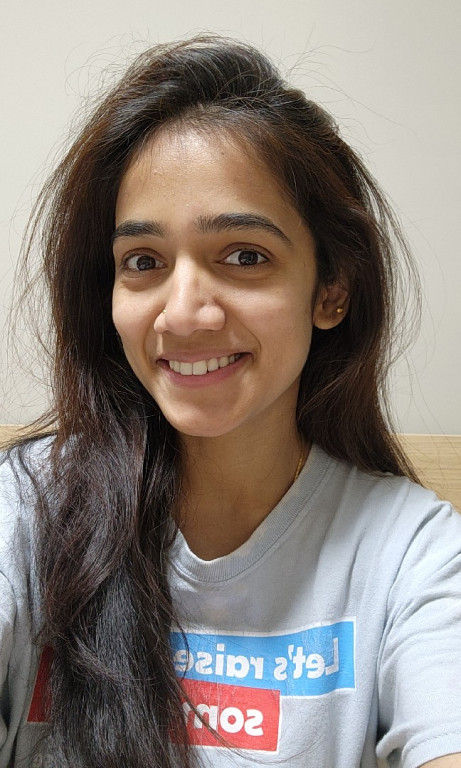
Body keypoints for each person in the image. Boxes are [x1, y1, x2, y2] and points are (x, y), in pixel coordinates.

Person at [0, 35, 460, 768]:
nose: (183, 314)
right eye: (142, 261)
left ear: (331, 290)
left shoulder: (412, 554)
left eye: (245, 255)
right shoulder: (25, 511)